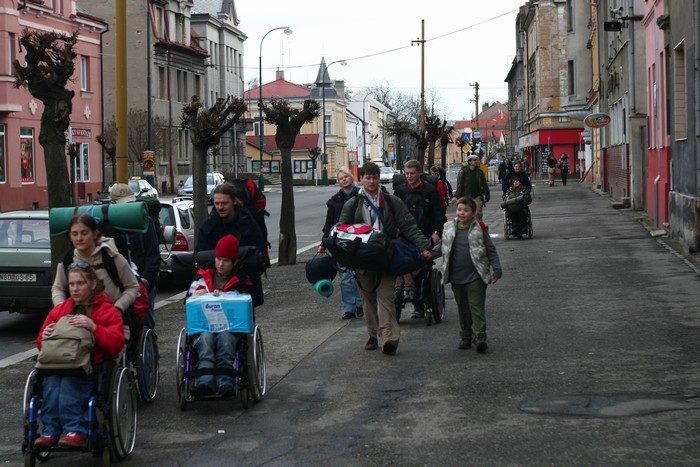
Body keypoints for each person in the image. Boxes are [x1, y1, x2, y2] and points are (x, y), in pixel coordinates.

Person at [338, 162, 431, 355]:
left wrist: (423, 247)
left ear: (379, 179)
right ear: (361, 179)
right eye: (368, 178)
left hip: (386, 256)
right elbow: (342, 231)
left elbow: (408, 226)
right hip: (362, 260)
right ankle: (373, 334)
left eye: (375, 177)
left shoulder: (391, 201)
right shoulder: (352, 204)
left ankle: (389, 337)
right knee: (368, 299)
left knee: (386, 297)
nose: (372, 181)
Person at [34, 263, 125, 449]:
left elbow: (116, 345)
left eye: (80, 283)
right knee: (51, 384)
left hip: (89, 368)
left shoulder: (107, 310)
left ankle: (75, 429)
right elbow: (40, 343)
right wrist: (46, 335)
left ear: (92, 284)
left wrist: (94, 328)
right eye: (71, 284)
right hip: (56, 365)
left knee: (69, 383)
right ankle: (50, 430)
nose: (75, 288)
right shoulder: (60, 310)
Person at [187, 235, 254, 397]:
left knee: (225, 339)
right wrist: (196, 295)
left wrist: (227, 297)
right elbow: (189, 302)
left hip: (229, 328)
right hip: (204, 327)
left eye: (226, 261)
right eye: (218, 259)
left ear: (234, 262)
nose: (220, 264)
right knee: (206, 340)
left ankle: (225, 382)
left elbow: (244, 307)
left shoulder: (239, 281)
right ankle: (205, 381)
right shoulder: (202, 276)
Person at [433, 197, 502, 353]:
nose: (461, 213)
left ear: (473, 213)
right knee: (463, 308)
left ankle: (480, 336)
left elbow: (490, 249)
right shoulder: (448, 228)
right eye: (459, 210)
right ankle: (465, 335)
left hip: (476, 274)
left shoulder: (480, 228)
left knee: (476, 306)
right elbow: (443, 247)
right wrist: (428, 255)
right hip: (456, 276)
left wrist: (497, 269)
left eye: (466, 210)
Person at [52, 213, 140, 315]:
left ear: (95, 234)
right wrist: (61, 309)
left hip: (111, 318)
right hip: (78, 319)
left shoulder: (112, 256)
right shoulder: (67, 260)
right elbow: (58, 288)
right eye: (74, 234)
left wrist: (118, 308)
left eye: (84, 233)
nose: (79, 238)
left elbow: (133, 287)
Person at [196, 182, 266, 307]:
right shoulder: (209, 225)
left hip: (243, 283)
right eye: (217, 203)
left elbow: (258, 254)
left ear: (234, 201)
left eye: (224, 203)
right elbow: (201, 256)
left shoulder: (247, 222)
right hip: (215, 285)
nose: (220, 207)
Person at [393, 160, 446, 318]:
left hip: (425, 234)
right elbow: (392, 212)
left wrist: (437, 232)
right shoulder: (400, 191)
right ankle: (402, 290)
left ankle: (411, 293)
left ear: (420, 173)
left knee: (417, 262)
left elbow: (439, 214)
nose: (409, 176)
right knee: (397, 258)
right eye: (407, 173)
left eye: (412, 173)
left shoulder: (430, 192)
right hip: (403, 236)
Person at [110, 183, 160, 332]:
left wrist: (146, 279)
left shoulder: (145, 221)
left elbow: (153, 255)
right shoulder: (110, 225)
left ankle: (150, 344)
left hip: (143, 283)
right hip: (119, 284)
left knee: (146, 323)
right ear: (113, 204)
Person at [319, 166, 363, 320]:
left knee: (360, 274)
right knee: (345, 276)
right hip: (341, 241)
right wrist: (324, 242)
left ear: (352, 177)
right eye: (341, 178)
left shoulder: (361, 195)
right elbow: (329, 223)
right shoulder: (334, 200)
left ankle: (361, 304)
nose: (344, 180)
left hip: (359, 239)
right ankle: (349, 307)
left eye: (346, 176)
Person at [452, 153, 490, 221]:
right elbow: (460, 185)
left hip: (477, 196)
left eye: (477, 160)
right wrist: (456, 196)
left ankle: (477, 226)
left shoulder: (479, 172)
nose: (476, 161)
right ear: (469, 162)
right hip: (467, 196)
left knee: (478, 213)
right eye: (474, 160)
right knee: (468, 214)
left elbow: (484, 184)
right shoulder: (463, 172)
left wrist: (487, 195)